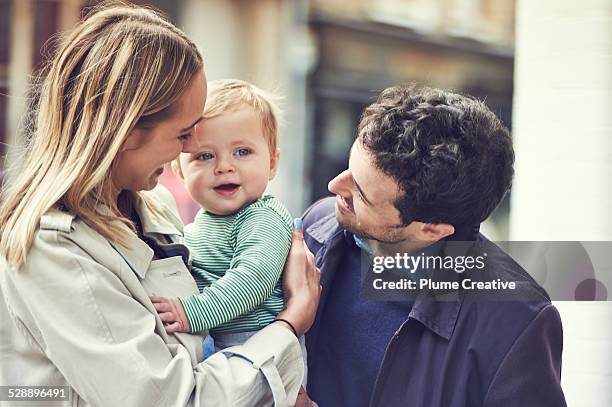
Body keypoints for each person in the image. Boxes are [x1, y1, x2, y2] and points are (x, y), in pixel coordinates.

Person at [0, 5, 320, 406]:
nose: (189, 149)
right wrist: (292, 322)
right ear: (128, 131)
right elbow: (173, 399)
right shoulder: (51, 250)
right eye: (183, 134)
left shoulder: (157, 208)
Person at [303, 85, 566, 406]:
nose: (334, 186)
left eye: (360, 193)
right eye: (350, 168)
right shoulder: (317, 227)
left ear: (431, 229)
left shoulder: (516, 323)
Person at [150, 79, 308, 377]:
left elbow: (253, 280)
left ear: (273, 163)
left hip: (262, 343)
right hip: (218, 344)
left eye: (242, 152)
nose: (224, 166)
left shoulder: (264, 217)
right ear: (180, 172)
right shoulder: (196, 226)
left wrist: (191, 312)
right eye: (205, 156)